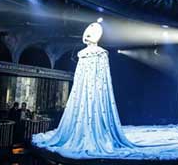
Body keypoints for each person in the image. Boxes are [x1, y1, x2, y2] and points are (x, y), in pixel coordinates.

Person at [36, 21, 134, 157]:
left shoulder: (101, 53)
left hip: (96, 87)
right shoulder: (83, 54)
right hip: (83, 88)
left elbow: (103, 76)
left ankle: (96, 131)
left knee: (95, 105)